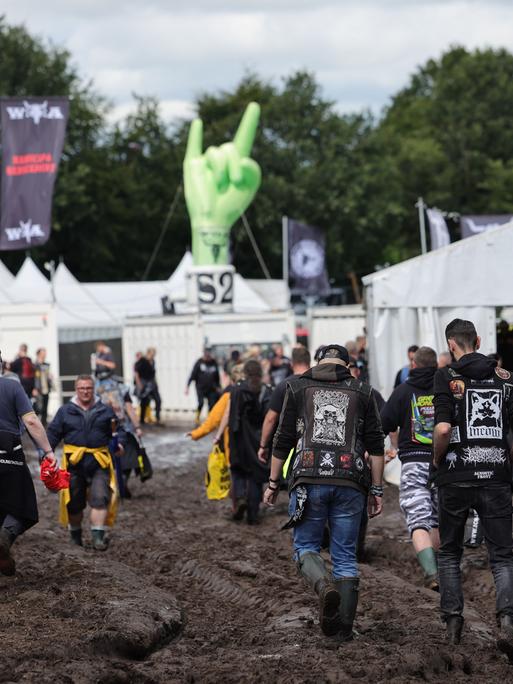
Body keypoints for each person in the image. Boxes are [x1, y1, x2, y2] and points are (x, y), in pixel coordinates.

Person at [264, 344, 385, 639]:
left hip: (308, 478)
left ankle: (323, 586)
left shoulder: (295, 387)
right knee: (345, 557)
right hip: (351, 481)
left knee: (305, 547)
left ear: (318, 362)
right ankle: (341, 632)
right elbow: (377, 445)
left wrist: (272, 483)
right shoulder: (364, 392)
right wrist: (377, 489)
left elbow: (283, 440)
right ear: (347, 364)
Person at [432, 318, 513, 656]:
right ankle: (508, 620)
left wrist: (437, 461)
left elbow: (441, 430)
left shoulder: (446, 377)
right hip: (497, 476)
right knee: (503, 556)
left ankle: (453, 624)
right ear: (477, 340)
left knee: (450, 552)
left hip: (456, 475)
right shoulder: (506, 380)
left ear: (451, 344)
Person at [380, 346, 439, 589]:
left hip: (414, 462)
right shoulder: (444, 389)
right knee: (436, 517)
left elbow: (384, 423)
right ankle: (441, 568)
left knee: (418, 518)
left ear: (412, 365)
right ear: (437, 366)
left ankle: (432, 573)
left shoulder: (403, 391)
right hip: (442, 462)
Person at [47, 374, 126, 551]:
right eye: (82, 388)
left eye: (88, 388)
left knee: (101, 497)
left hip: (99, 461)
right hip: (73, 463)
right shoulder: (65, 411)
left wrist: (120, 443)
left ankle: (98, 537)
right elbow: (52, 434)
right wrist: (45, 453)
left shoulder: (105, 410)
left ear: (93, 389)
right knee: (74, 501)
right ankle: (76, 537)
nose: (85, 392)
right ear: (76, 389)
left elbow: (119, 430)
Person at [0, 351, 56, 575]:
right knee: (23, 503)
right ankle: (5, 536)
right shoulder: (12, 387)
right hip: (7, 450)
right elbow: (31, 421)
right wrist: (47, 451)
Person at [215, 359, 272, 524]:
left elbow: (232, 417)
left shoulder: (237, 390)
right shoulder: (267, 391)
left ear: (245, 373)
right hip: (258, 440)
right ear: (260, 374)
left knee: (238, 471)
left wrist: (224, 438)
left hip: (239, 439)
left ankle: (240, 498)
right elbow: (270, 417)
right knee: (255, 477)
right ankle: (253, 514)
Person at [258, 346, 311, 467]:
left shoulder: (283, 385)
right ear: (309, 362)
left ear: (292, 363)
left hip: (288, 446)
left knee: (284, 480)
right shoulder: (318, 384)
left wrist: (263, 445)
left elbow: (271, 419)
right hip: (313, 445)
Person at [186, 348, 220, 425]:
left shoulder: (214, 363)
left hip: (211, 388)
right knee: (201, 403)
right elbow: (192, 375)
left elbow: (217, 376)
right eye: (206, 355)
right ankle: (197, 417)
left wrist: (218, 386)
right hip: (200, 387)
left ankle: (209, 419)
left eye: (209, 355)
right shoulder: (199, 362)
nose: (208, 357)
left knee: (211, 404)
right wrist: (187, 386)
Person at [135, 347, 162, 426]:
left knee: (158, 400)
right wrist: (139, 384)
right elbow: (136, 373)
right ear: (148, 353)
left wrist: (156, 383)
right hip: (144, 383)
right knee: (145, 401)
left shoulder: (153, 361)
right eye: (152, 354)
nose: (153, 356)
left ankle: (157, 418)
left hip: (152, 383)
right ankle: (142, 419)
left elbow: (153, 374)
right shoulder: (142, 361)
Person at [34, 347, 52, 426]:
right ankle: (36, 425)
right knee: (38, 408)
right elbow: (33, 377)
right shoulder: (34, 365)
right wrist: (34, 388)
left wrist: (50, 378)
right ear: (38, 354)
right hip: (38, 390)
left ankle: (44, 426)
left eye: (45, 354)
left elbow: (48, 376)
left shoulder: (46, 365)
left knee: (45, 408)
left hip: (46, 389)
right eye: (42, 354)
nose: (44, 355)